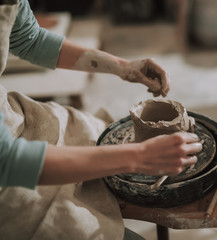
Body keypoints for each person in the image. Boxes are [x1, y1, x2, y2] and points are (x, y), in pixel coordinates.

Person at [0, 0, 202, 239]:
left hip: (10, 118)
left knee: (93, 132)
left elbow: (28, 38)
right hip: (8, 176)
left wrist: (122, 66)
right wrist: (140, 156)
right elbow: (7, 161)